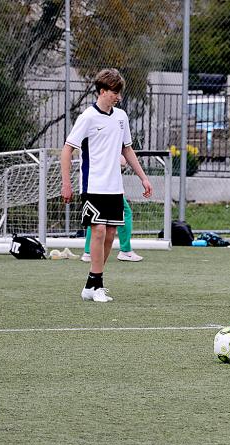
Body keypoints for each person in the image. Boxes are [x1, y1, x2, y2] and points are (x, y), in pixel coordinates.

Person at [60, 68, 152, 302]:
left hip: (114, 188)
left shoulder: (121, 117)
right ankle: (97, 285)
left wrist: (143, 177)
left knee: (110, 235)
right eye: (115, 92)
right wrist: (66, 184)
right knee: (98, 231)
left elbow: (127, 149)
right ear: (102, 91)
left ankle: (92, 283)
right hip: (93, 187)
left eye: (119, 93)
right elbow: (67, 149)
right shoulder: (87, 117)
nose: (118, 96)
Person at [81, 155, 143, 263]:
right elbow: (123, 161)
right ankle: (125, 250)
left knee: (95, 217)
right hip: (105, 186)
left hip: (97, 183)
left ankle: (88, 252)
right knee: (125, 212)